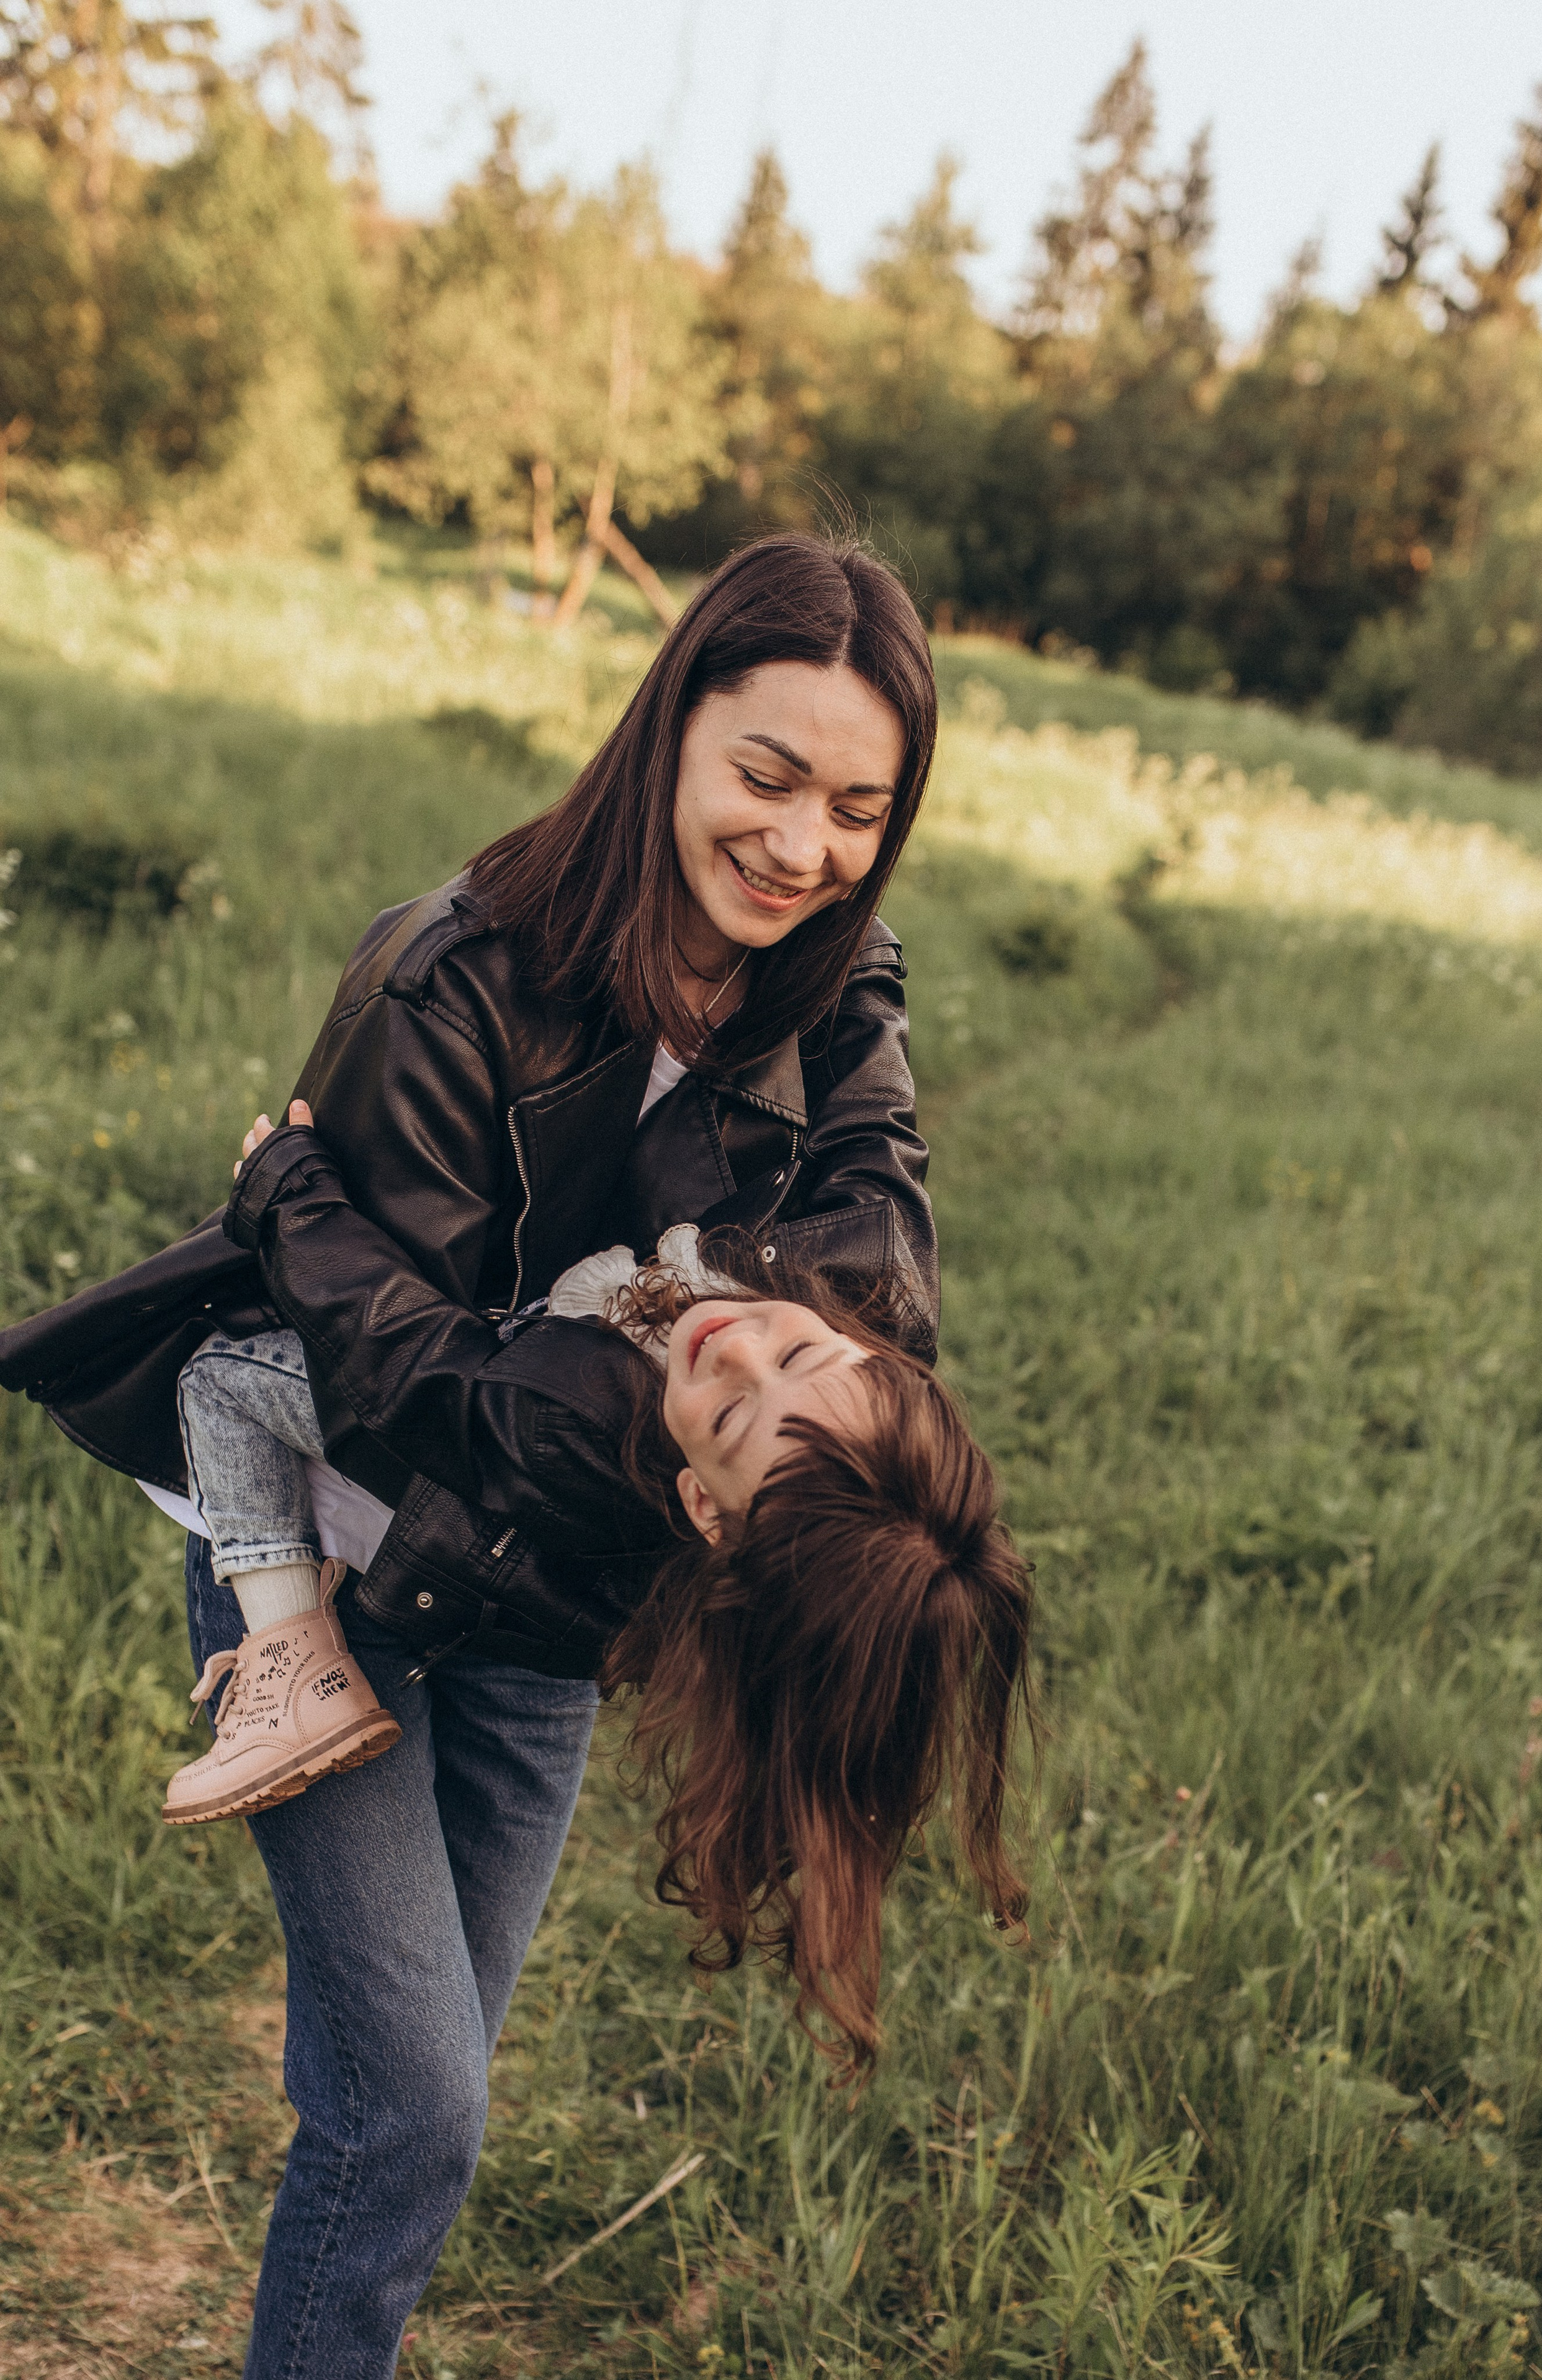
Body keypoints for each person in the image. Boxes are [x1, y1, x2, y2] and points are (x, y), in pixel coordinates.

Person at [0, 536, 950, 2378]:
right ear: (672, 722)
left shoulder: (842, 976)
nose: (801, 847)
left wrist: (765, 1348)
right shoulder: (457, 975)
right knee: (415, 2115)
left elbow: (885, 1261)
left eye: (857, 807)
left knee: (419, 2076)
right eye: (764, 776)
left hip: (551, 1616)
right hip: (348, 1558)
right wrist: (700, 1395)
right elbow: (392, 1375)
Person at [184, 1102, 1031, 2096]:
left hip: (436, 1560)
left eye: (728, 1415)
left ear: (704, 1506)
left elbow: (410, 1361)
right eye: (799, 1357)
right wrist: (860, 954)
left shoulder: (574, 1423)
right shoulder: (828, 1307)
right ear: (874, 1343)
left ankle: (282, 1635)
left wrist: (292, 1190)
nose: (737, 1351)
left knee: (421, 2085)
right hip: (422, 1559)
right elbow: (877, 1136)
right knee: (413, 2089)